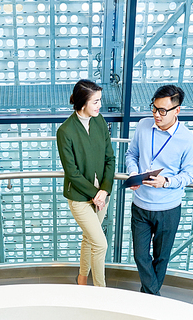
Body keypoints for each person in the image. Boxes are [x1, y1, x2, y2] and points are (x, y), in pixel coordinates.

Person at [125, 84, 193, 295]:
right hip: (140, 204)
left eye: (163, 110)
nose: (157, 115)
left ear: (177, 110)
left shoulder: (188, 140)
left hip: (168, 208)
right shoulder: (143, 126)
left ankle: (149, 295)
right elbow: (131, 155)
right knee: (140, 256)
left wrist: (165, 181)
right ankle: (154, 296)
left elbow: (188, 175)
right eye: (154, 108)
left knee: (161, 257)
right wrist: (133, 173)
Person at [57, 79, 115, 287]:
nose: (100, 105)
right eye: (96, 101)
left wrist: (105, 190)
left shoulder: (99, 121)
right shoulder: (66, 131)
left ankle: (82, 278)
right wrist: (95, 193)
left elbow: (110, 158)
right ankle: (100, 291)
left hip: (102, 195)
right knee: (100, 244)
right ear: (83, 103)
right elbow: (71, 173)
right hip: (81, 198)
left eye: (100, 100)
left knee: (90, 238)